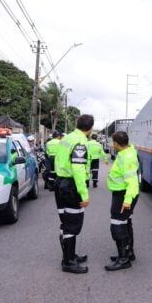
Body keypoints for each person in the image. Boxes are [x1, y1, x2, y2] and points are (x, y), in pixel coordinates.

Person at [54, 115, 94, 274]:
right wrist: (84, 194)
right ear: (90, 128)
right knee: (72, 224)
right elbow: (78, 170)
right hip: (71, 186)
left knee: (66, 221)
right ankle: (68, 262)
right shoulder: (80, 142)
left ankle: (69, 255)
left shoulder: (67, 138)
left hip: (60, 182)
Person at [105, 131, 139, 271]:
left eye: (113, 142)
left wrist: (127, 201)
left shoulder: (127, 157)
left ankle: (123, 259)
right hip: (121, 193)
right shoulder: (126, 152)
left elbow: (133, 182)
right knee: (126, 222)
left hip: (124, 195)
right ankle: (128, 253)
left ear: (116, 143)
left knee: (117, 225)